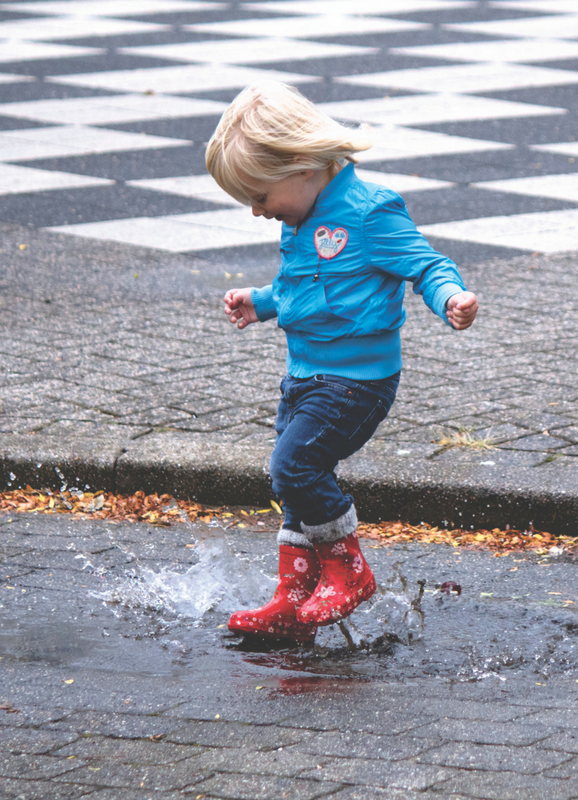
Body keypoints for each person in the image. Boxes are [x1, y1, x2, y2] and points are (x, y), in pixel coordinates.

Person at [205, 82, 478, 643]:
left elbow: (426, 264)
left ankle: (349, 571)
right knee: (295, 482)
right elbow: (301, 288)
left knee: (294, 467)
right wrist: (260, 302)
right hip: (303, 376)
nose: (257, 211)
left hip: (357, 382)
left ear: (303, 167)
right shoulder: (298, 220)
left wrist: (450, 296)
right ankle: (294, 593)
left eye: (259, 195)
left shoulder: (370, 212)